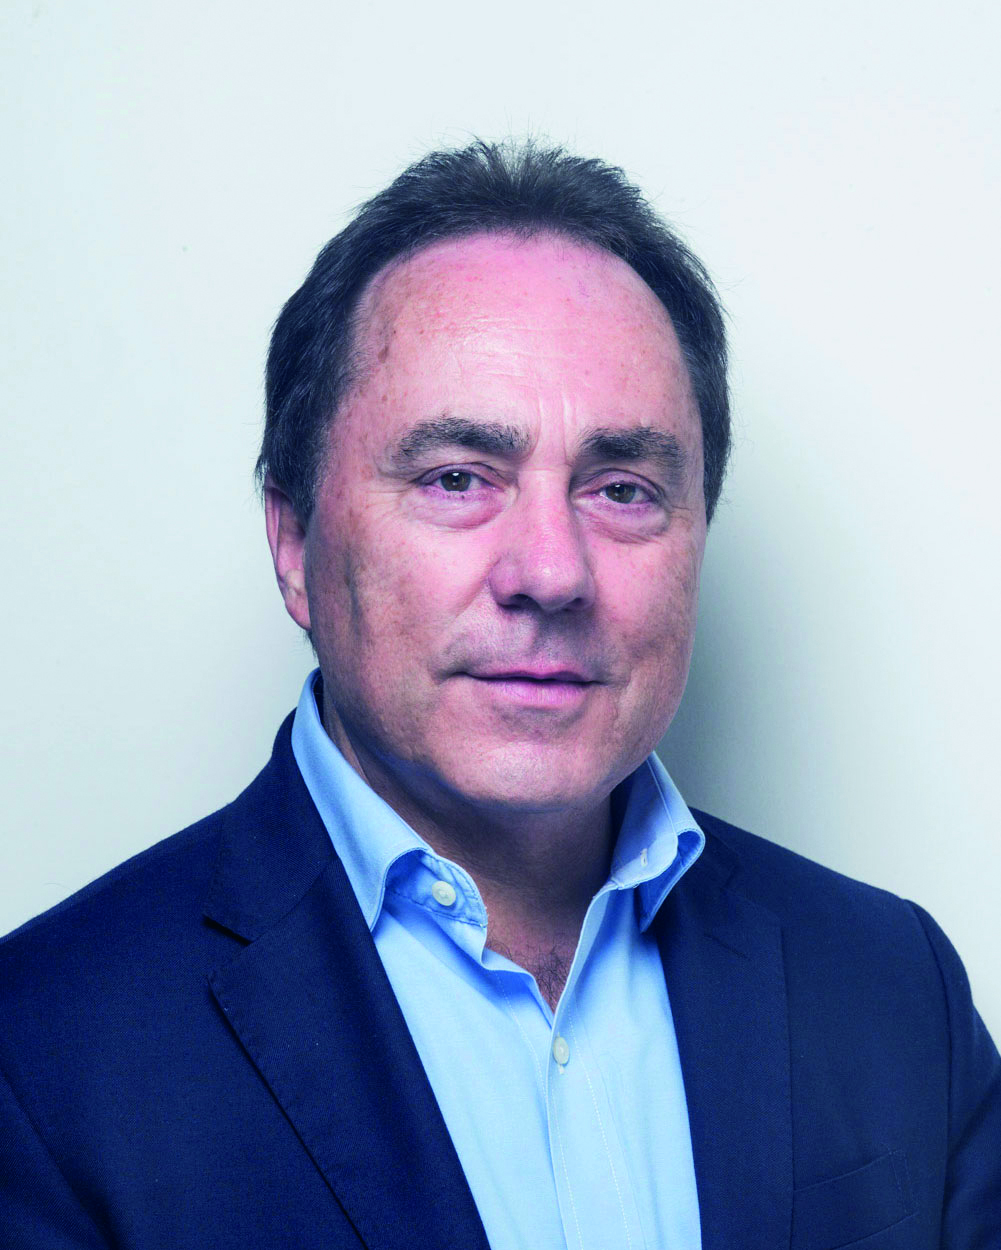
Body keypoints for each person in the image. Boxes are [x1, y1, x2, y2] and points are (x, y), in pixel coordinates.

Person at [0, 141, 997, 1250]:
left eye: (622, 490)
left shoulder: (891, 987)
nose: (551, 572)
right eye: (456, 478)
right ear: (293, 543)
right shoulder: (41, 1055)